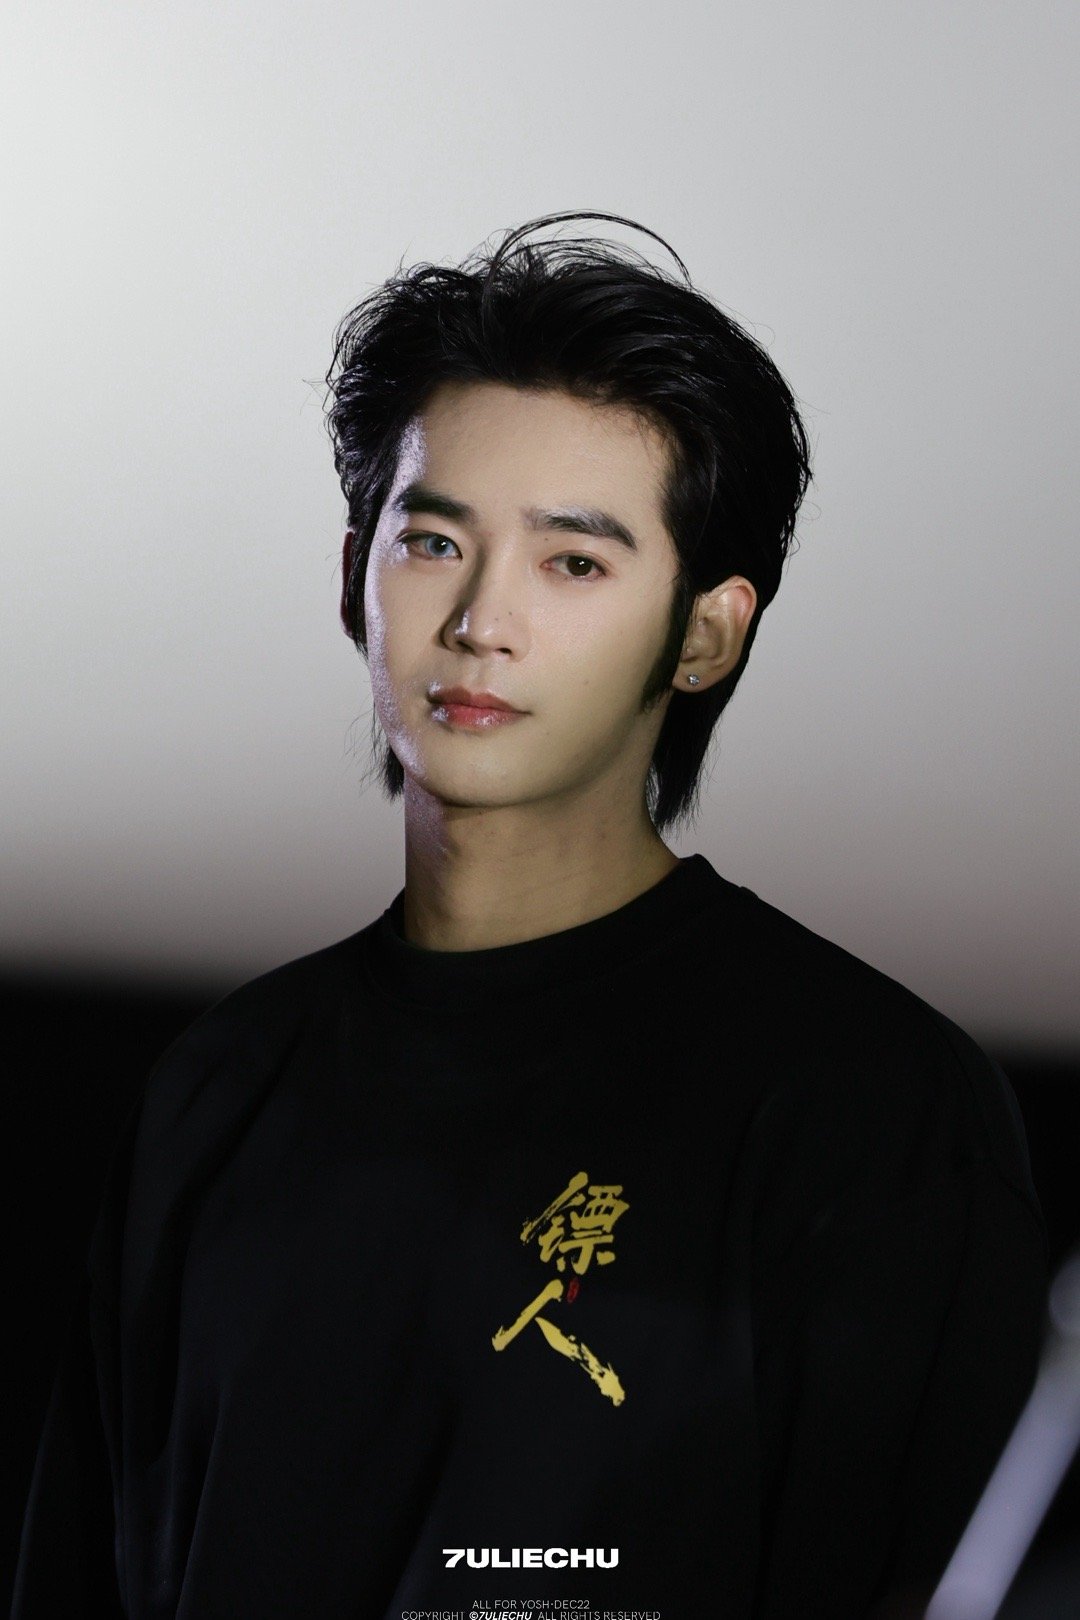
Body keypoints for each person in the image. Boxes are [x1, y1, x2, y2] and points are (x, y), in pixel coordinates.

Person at [12, 210, 1049, 1620]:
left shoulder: (867, 1107)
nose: (480, 621)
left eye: (574, 562)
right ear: (352, 575)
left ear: (706, 633)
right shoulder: (221, 1088)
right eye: (434, 541)